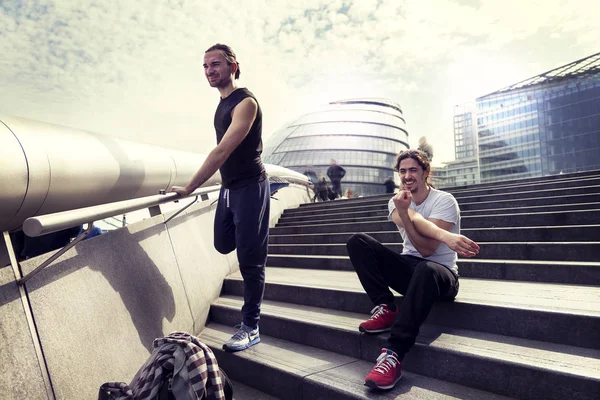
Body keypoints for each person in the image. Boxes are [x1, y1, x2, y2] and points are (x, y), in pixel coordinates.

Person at [346, 149, 480, 390]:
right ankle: (385, 307)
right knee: (358, 241)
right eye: (402, 171)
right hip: (410, 268)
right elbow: (416, 223)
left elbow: (427, 250)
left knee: (426, 268)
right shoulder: (396, 201)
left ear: (425, 172)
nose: (407, 176)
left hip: (441, 275)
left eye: (413, 170)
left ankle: (393, 354)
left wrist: (440, 235)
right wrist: (443, 235)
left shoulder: (444, 201)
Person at [170, 43, 269, 353]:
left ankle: (250, 326)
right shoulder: (222, 104)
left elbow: (222, 151)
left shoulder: (246, 103)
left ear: (232, 66)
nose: (209, 71)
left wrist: (188, 188)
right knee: (223, 243)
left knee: (250, 261)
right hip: (229, 188)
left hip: (251, 187)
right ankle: (253, 235)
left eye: (215, 64)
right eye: (205, 67)